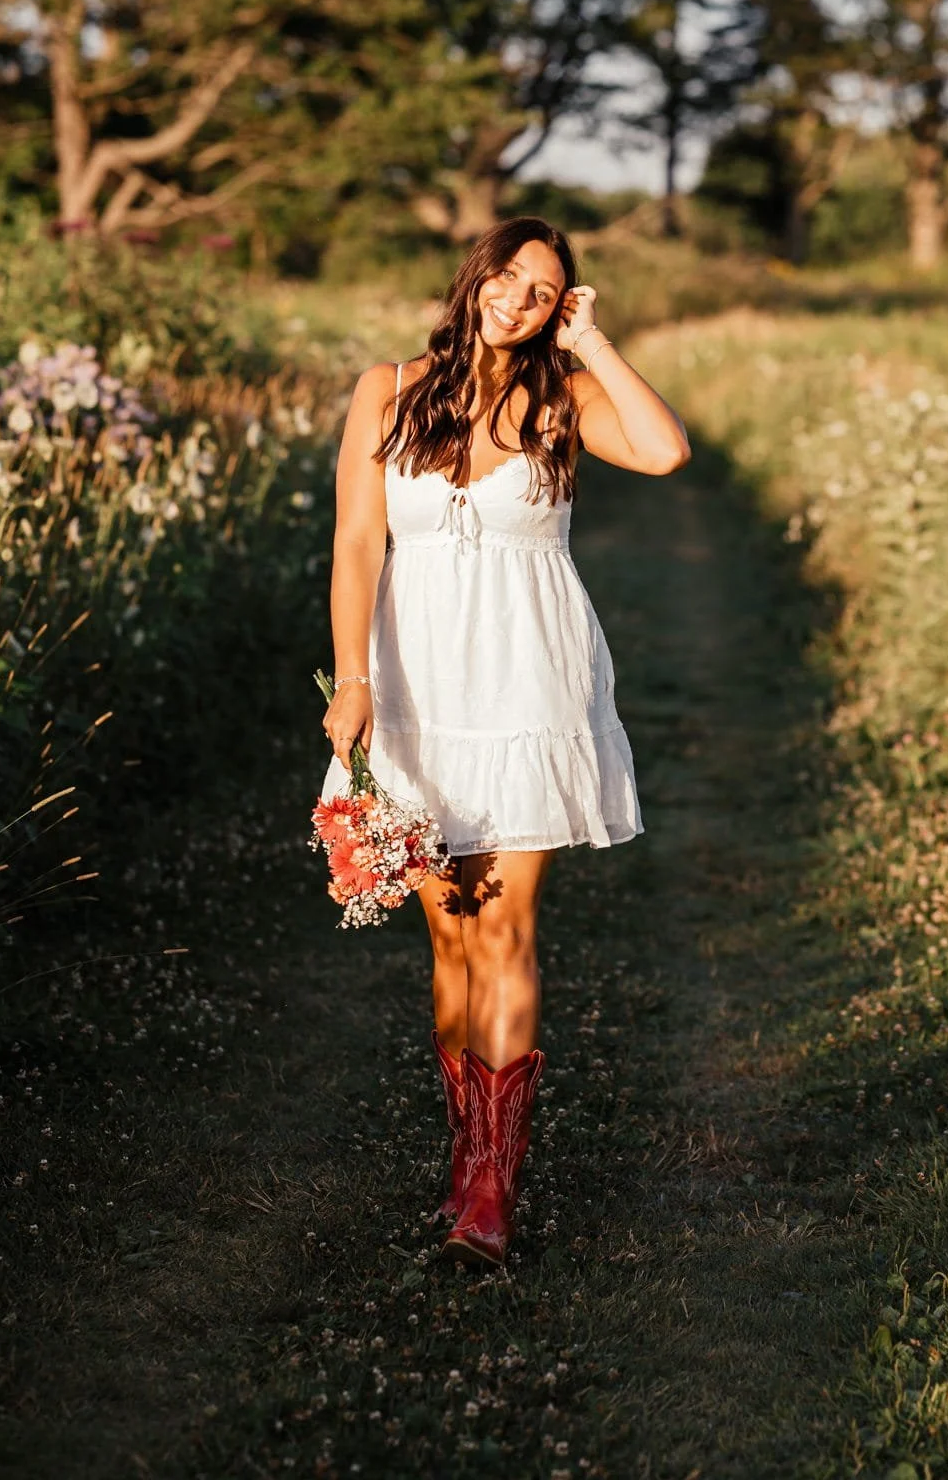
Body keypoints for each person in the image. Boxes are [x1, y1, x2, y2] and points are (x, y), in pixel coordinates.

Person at [320, 217, 690, 1264]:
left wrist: (592, 342)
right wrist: (352, 681)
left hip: (530, 681)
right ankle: (464, 1150)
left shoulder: (564, 400)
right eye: (512, 277)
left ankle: (493, 1190)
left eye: (547, 290)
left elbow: (665, 450)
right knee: (448, 928)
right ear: (476, 276)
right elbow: (355, 544)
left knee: (507, 921)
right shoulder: (385, 389)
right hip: (415, 687)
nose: (521, 298)